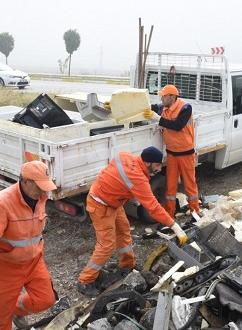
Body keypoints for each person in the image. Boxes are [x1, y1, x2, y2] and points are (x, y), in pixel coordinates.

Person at [77, 146, 188, 297]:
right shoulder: (137, 177)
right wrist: (175, 226)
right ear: (148, 162)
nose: (159, 168)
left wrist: (124, 191)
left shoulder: (126, 157)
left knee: (123, 232)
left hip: (113, 202)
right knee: (106, 246)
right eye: (157, 165)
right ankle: (85, 280)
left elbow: (116, 174)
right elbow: (153, 207)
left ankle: (127, 266)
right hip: (100, 204)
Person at [0, 161, 58, 330]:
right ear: (25, 181)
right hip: (6, 267)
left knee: (46, 299)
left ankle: (14, 309)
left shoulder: (41, 197)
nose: (43, 191)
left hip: (34, 262)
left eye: (45, 186)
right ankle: (5, 312)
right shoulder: (2, 203)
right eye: (39, 186)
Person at [143, 84, 202, 218]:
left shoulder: (185, 108)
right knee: (170, 186)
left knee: (189, 185)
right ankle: (169, 213)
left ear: (172, 97)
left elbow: (177, 126)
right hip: (172, 153)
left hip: (186, 153)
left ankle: (195, 211)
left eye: (163, 96)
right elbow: (147, 108)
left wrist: (157, 118)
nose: (161, 99)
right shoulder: (164, 107)